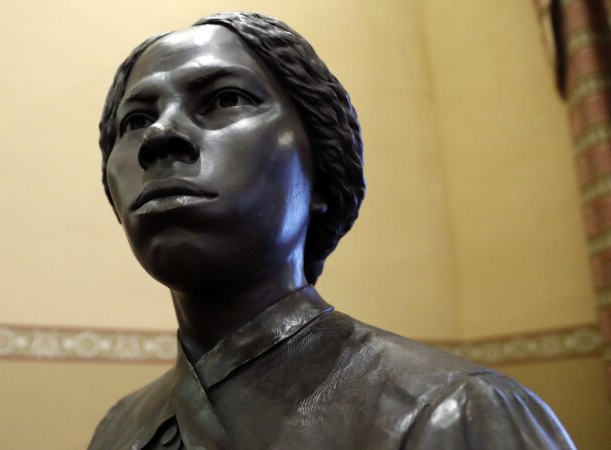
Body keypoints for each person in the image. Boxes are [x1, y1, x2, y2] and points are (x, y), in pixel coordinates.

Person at [89, 12, 575, 450]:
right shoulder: (119, 430)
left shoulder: (459, 414)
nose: (158, 135)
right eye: (136, 120)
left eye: (225, 99)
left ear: (321, 171)